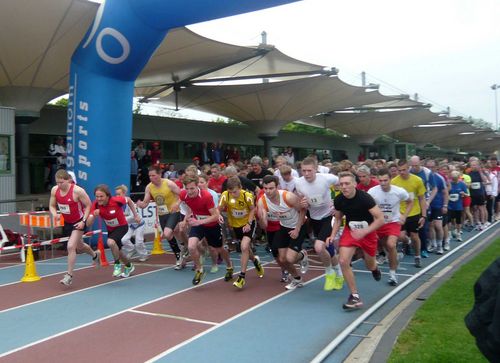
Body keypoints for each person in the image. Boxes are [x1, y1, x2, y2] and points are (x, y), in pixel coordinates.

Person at [327, 172, 384, 310]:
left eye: (347, 184)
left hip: (368, 232)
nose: (344, 187)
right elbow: (338, 218)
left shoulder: (365, 198)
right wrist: (332, 235)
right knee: (343, 261)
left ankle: (375, 269)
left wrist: (365, 231)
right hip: (351, 231)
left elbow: (380, 219)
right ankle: (355, 296)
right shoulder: (339, 199)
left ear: (354, 184)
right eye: (341, 184)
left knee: (370, 264)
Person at [295, 157, 343, 291]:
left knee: (318, 246)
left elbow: (343, 185)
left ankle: (329, 273)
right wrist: (303, 203)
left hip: (329, 216)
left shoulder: (327, 178)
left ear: (316, 169)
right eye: (303, 171)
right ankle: (339, 274)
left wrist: (337, 202)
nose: (306, 174)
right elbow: (302, 202)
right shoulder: (299, 183)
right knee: (329, 250)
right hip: (315, 218)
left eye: (309, 170)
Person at [178, 174, 233, 285]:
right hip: (198, 224)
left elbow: (215, 216)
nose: (189, 191)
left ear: (197, 186)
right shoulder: (184, 194)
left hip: (212, 225)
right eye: (187, 188)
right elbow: (189, 208)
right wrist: (184, 221)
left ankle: (229, 267)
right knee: (191, 246)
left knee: (219, 249)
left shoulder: (206, 196)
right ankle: (199, 270)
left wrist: (199, 221)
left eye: (192, 188)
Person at [49, 169, 100, 286]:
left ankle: (69, 276)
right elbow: (51, 205)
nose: (59, 185)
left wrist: (83, 221)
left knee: (71, 246)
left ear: (69, 180)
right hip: (67, 222)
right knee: (80, 246)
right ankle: (95, 255)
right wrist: (55, 214)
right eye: (57, 182)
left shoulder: (77, 191)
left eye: (62, 182)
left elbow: (88, 205)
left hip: (79, 222)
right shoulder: (54, 190)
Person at [257, 175, 308, 290]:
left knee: (290, 258)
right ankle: (297, 279)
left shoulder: (287, 197)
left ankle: (302, 254)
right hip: (284, 227)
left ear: (277, 187)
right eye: (265, 188)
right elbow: (263, 225)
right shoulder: (262, 201)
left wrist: (297, 229)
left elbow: (303, 210)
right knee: (282, 259)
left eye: (271, 188)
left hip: (299, 225)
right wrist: (261, 218)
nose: (268, 191)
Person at [368, 168, 413, 286]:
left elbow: (410, 201)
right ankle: (395, 257)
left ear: (390, 179)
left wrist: (404, 215)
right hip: (380, 222)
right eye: (381, 180)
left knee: (391, 244)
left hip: (393, 221)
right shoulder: (372, 191)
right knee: (386, 246)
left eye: (385, 180)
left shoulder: (399, 191)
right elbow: (368, 206)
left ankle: (392, 274)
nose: (383, 183)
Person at [219, 176, 264, 289]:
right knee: (246, 250)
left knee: (244, 247)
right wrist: (218, 214)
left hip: (248, 224)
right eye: (230, 192)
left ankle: (242, 277)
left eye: (234, 191)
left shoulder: (247, 196)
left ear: (240, 187)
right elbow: (218, 208)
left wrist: (249, 224)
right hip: (235, 225)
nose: (233, 194)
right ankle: (255, 261)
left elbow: (253, 209)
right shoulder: (225, 195)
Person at [87, 184, 141, 278]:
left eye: (101, 196)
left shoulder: (116, 200)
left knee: (110, 242)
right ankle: (129, 266)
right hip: (111, 229)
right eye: (97, 196)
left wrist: (135, 215)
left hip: (122, 226)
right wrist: (93, 216)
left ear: (108, 196)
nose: (99, 199)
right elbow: (88, 223)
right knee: (118, 251)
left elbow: (129, 200)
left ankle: (117, 265)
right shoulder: (95, 204)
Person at [137, 165, 183, 267]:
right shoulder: (149, 187)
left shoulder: (169, 183)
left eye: (154, 175)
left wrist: (177, 204)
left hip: (173, 211)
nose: (151, 178)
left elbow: (183, 195)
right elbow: (145, 202)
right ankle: (183, 247)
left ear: (159, 174)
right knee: (174, 233)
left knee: (167, 233)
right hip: (162, 214)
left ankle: (179, 255)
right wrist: (141, 205)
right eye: (150, 176)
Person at [391, 159, 427, 268]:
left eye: (404, 170)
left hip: (414, 212)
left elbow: (422, 198)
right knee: (400, 236)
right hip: (400, 213)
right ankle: (407, 242)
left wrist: (423, 215)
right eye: (400, 170)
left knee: (415, 236)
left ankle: (417, 256)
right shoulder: (394, 182)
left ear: (409, 168)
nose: (402, 172)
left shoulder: (417, 180)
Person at [115, 184, 148, 262]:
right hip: (131, 225)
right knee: (124, 240)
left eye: (119, 194)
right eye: (116, 194)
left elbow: (133, 216)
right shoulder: (123, 203)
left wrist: (122, 220)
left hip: (140, 224)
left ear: (124, 193)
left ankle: (144, 255)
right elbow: (127, 213)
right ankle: (132, 249)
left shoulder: (130, 202)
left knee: (139, 241)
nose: (117, 196)